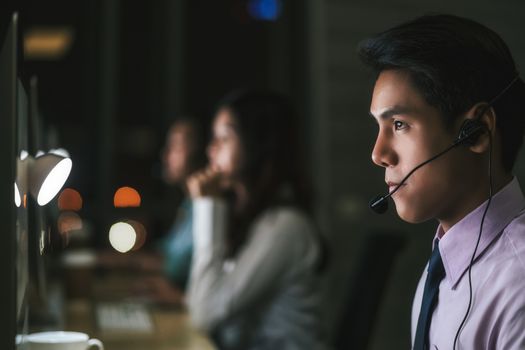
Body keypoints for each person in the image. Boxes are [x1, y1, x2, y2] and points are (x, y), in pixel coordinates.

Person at [359, 15, 525, 349]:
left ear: (475, 133)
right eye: (379, 127)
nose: (379, 154)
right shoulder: (440, 269)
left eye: (400, 124)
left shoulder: (518, 284)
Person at [186, 90, 327, 350]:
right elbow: (202, 301)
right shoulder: (252, 218)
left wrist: (207, 205)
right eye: (213, 137)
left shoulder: (285, 225)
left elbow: (203, 315)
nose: (211, 148)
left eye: (224, 137)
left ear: (258, 143)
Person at [158, 117, 206, 291]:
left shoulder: (208, 209)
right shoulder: (188, 204)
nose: (166, 155)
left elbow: (175, 266)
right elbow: (165, 255)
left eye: (176, 146)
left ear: (202, 151)